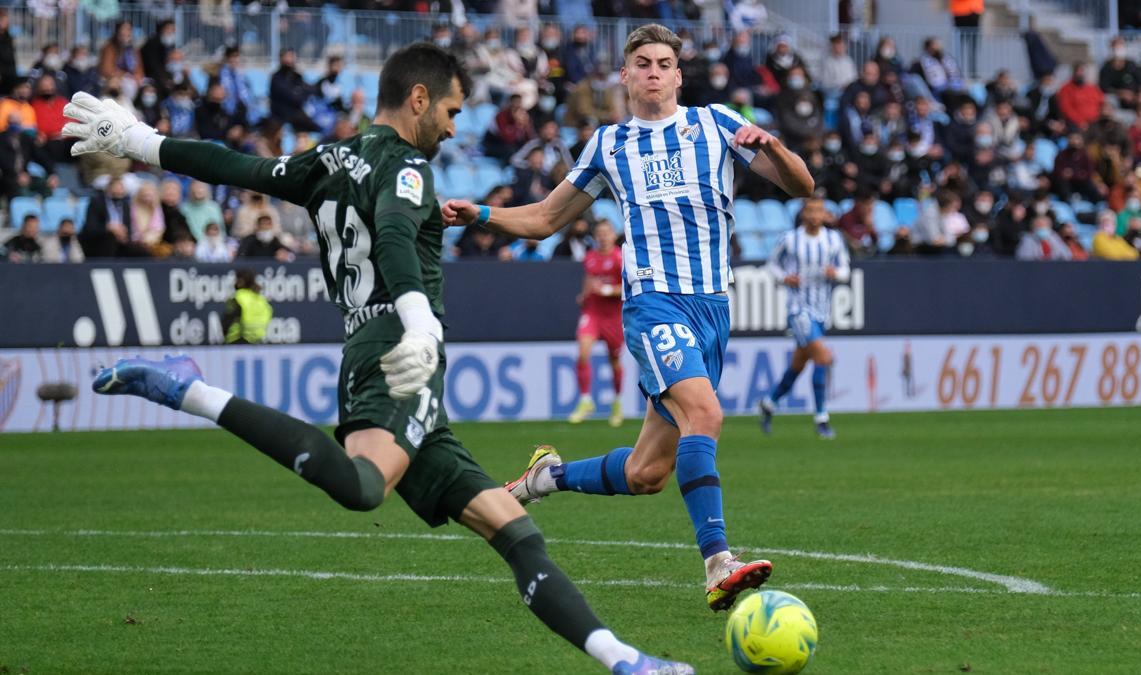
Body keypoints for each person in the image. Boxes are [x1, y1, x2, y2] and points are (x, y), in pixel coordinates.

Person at [64, 43, 693, 675]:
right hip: (397, 354)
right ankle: (192, 391)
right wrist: (418, 323)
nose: (453, 127)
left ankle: (624, 661)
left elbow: (237, 167)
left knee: (517, 532)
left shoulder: (330, 159)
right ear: (418, 99)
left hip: (388, 356)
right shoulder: (408, 168)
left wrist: (141, 141)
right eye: (449, 110)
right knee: (364, 489)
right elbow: (394, 232)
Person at [443, 24, 815, 612]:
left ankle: (547, 477)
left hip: (713, 308)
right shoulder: (609, 144)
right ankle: (718, 561)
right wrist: (481, 213)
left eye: (664, 63)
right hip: (652, 304)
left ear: (678, 75)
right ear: (624, 74)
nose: (653, 72)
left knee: (648, 472)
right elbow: (545, 218)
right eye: (641, 62)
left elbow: (802, 185)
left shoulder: (716, 125)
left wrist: (771, 146)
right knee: (706, 412)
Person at [757, 199, 848, 439]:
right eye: (810, 210)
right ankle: (822, 419)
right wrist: (785, 277)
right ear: (803, 214)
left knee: (798, 365)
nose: (815, 215)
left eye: (819, 210)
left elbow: (845, 269)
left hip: (821, 310)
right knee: (823, 357)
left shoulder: (833, 240)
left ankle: (769, 403)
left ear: (825, 214)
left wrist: (835, 273)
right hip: (798, 309)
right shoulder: (790, 239)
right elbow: (771, 266)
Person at [567, 219, 625, 426]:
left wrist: (608, 290)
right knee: (582, 353)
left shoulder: (620, 258)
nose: (602, 236)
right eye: (599, 233)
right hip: (593, 312)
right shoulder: (590, 257)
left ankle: (617, 403)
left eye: (606, 232)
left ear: (613, 234)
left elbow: (628, 287)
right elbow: (589, 279)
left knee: (614, 360)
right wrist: (584, 295)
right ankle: (585, 401)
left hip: (613, 316)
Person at [223, 268, 273, 344]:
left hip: (237, 342)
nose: (234, 283)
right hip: (258, 342)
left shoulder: (239, 298)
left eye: (236, 280)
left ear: (240, 281)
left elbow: (226, 322)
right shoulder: (262, 300)